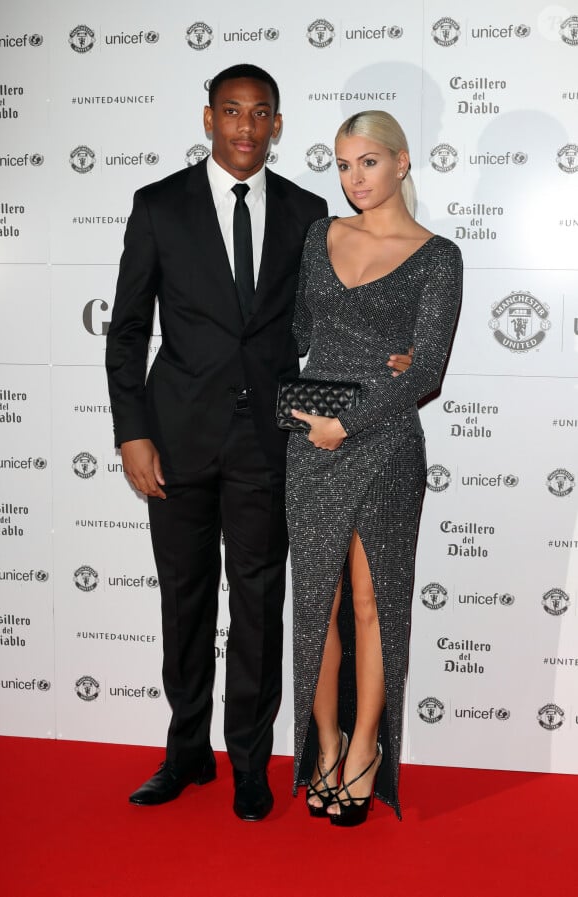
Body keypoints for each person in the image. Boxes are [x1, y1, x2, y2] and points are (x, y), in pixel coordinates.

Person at [106, 65, 412, 822]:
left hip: (271, 447)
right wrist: (132, 431)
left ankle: (249, 761)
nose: (245, 126)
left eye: (261, 113)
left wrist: (395, 356)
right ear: (208, 118)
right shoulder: (158, 206)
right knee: (184, 601)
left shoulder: (311, 215)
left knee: (259, 604)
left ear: (277, 125)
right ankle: (185, 753)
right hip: (173, 441)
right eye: (232, 111)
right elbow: (127, 331)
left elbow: (336, 318)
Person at [286, 110, 462, 826]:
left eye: (367, 162)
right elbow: (296, 328)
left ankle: (365, 749)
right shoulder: (318, 235)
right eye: (343, 164)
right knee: (316, 604)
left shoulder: (437, 255)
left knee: (371, 601)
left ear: (402, 162)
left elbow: (427, 370)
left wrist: (353, 419)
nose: (354, 178)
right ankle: (323, 740)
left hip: (384, 441)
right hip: (310, 441)